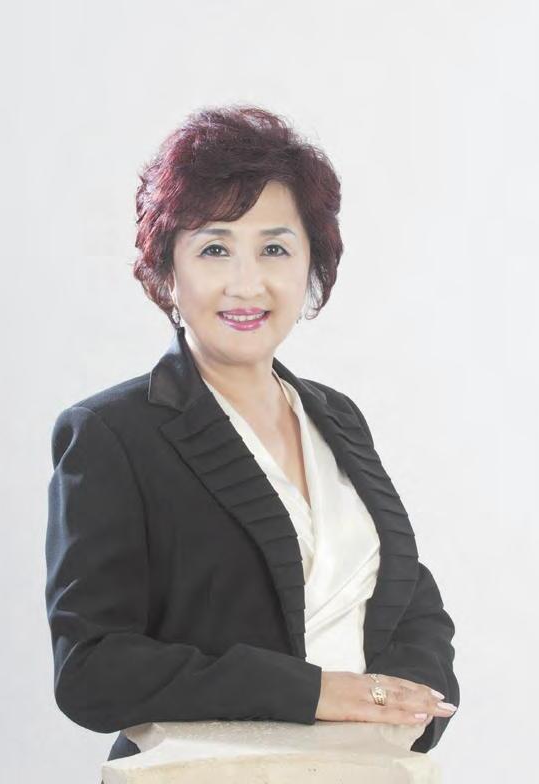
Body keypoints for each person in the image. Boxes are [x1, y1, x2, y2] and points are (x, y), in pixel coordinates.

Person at [44, 104, 460, 773]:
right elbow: (91, 669)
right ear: (167, 270)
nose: (247, 283)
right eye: (215, 249)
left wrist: (408, 711)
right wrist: (315, 694)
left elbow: (411, 600)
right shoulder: (112, 434)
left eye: (274, 248)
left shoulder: (336, 416)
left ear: (310, 264)